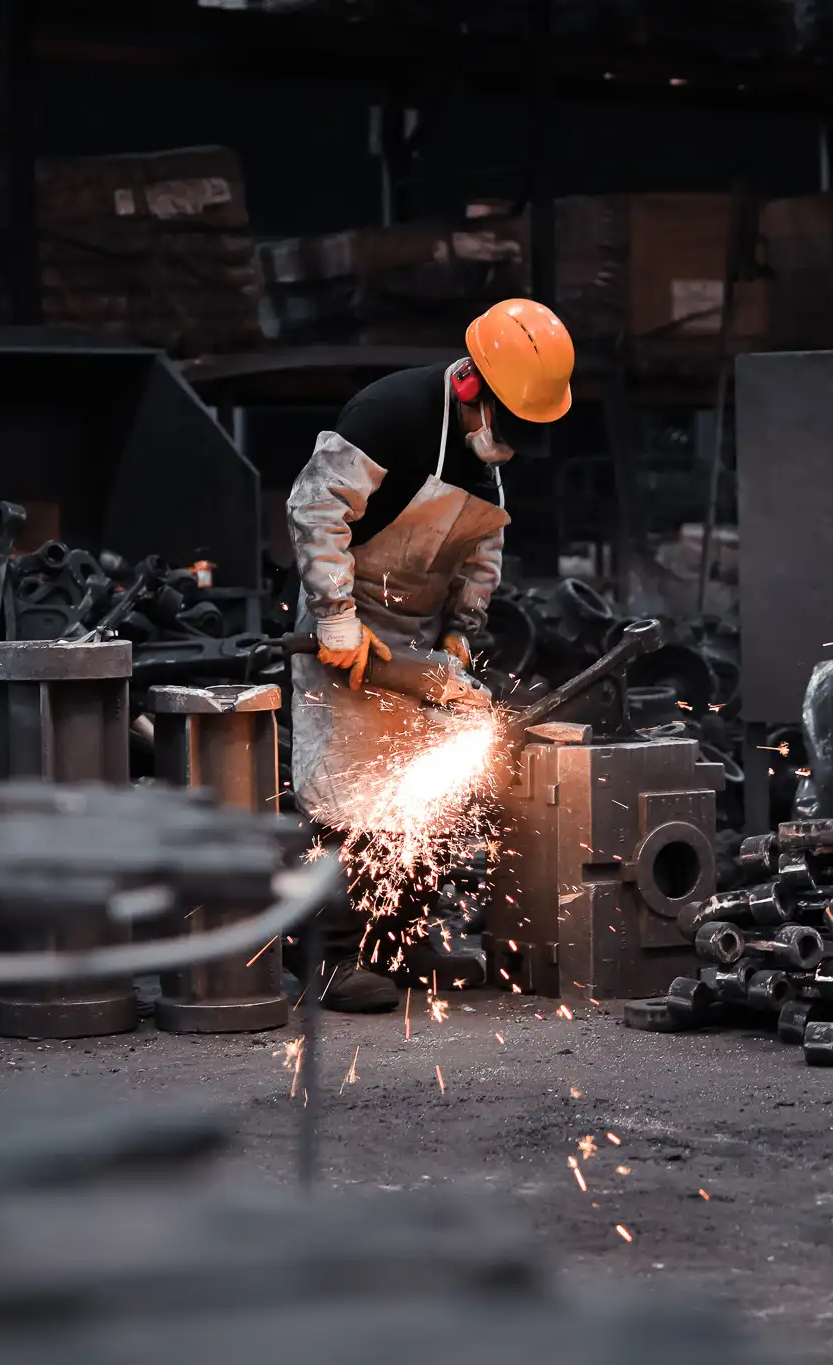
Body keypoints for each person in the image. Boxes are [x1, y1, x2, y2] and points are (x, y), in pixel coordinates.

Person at [286, 299, 575, 1010]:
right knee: (347, 793)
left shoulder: (486, 452)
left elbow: (483, 543)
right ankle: (332, 957)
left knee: (423, 791)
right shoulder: (388, 415)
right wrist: (337, 620)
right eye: (505, 424)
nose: (509, 445)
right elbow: (316, 510)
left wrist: (461, 630)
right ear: (472, 384)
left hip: (420, 631)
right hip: (348, 617)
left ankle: (401, 943)